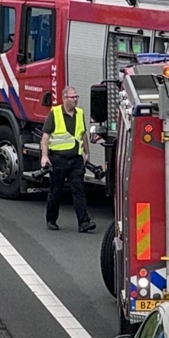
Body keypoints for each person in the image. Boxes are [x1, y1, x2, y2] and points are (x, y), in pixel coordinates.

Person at [40, 86, 96, 233]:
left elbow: (83, 135)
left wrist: (86, 153)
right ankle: (51, 219)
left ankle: (84, 222)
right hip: (58, 159)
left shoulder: (80, 113)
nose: (76, 99)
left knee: (79, 191)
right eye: (73, 97)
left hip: (76, 159)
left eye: (77, 96)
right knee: (56, 191)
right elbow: (45, 137)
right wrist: (45, 156)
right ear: (64, 98)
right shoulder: (55, 113)